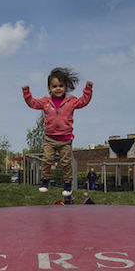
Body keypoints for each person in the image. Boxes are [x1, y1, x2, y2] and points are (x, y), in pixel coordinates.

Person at [23, 67, 93, 196]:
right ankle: (45, 181)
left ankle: (67, 184)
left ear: (66, 87)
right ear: (49, 88)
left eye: (61, 86)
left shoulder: (71, 101)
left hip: (65, 140)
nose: (58, 89)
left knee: (66, 163)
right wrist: (26, 92)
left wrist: (88, 90)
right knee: (47, 160)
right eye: (54, 86)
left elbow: (83, 102)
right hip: (50, 139)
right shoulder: (45, 102)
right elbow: (32, 103)